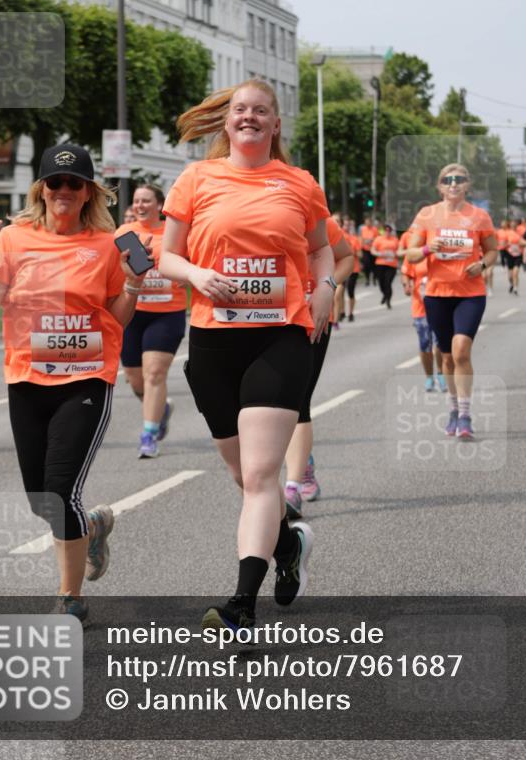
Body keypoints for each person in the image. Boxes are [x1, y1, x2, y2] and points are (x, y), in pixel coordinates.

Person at [158, 80, 334, 636]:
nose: (249, 117)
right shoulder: (196, 179)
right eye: (240, 110)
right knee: (243, 476)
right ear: (227, 121)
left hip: (279, 337)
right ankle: (289, 545)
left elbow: (321, 248)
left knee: (261, 475)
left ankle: (241, 605)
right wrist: (197, 274)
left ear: (275, 124)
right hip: (215, 341)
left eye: (260, 111)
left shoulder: (299, 183)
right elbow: (166, 256)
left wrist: (326, 287)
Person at [0, 144, 150, 626]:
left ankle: (70, 598)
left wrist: (133, 284)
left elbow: (118, 318)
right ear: (41, 189)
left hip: (86, 378)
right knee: (41, 500)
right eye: (55, 182)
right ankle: (92, 527)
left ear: (88, 192)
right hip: (27, 378)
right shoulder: (13, 238)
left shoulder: (109, 243)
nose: (64, 190)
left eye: (74, 183)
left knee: (60, 489)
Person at [406, 164, 497, 440]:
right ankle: (454, 410)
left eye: (459, 179)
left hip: (470, 293)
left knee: (461, 352)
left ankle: (466, 415)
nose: (454, 184)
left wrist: (482, 265)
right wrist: (426, 248)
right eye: (448, 180)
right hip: (437, 294)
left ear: (467, 185)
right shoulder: (427, 215)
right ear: (440, 186)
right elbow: (410, 254)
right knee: (446, 357)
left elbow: (492, 250)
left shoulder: (479, 216)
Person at [283, 216, 354, 518]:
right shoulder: (252, 213)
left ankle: (293, 486)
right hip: (267, 319)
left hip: (313, 318)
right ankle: (304, 460)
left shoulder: (318, 221)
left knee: (297, 400)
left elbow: (346, 257)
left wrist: (328, 285)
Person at [115, 184, 186, 458]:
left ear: (159, 205)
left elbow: (193, 260)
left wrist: (185, 274)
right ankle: (160, 409)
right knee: (135, 379)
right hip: (133, 312)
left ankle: (149, 435)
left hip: (167, 313)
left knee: (154, 373)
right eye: (136, 201)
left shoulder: (174, 232)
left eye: (146, 201)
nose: (140, 206)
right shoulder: (124, 233)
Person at [401, 249, 446, 392]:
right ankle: (429, 377)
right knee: (425, 343)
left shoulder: (440, 250)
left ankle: (441, 373)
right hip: (420, 308)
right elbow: (405, 273)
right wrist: (406, 285)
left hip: (441, 305)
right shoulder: (415, 252)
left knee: (440, 342)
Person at [371, 223, 399, 308]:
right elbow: (373, 250)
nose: (387, 232)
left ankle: (388, 300)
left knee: (388, 282)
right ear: (383, 231)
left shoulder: (395, 240)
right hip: (380, 264)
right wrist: (379, 254)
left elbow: (399, 251)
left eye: (389, 230)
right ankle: (385, 294)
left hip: (391, 264)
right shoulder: (378, 239)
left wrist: (394, 254)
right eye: (385, 230)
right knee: (381, 282)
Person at [342, 218, 361, 322]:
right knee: (340, 291)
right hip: (342, 268)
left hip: (354, 269)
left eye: (348, 225)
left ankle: (351, 313)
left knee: (350, 291)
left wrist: (352, 252)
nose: (347, 227)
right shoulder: (339, 236)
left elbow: (360, 254)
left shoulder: (354, 239)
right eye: (345, 225)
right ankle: (341, 311)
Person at [504, 219, 523, 294]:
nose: (513, 225)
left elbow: (524, 242)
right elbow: (503, 243)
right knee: (510, 276)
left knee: (515, 273)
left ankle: (515, 288)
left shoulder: (520, 233)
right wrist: (507, 244)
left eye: (515, 224)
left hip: (518, 254)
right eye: (512, 224)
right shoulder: (507, 233)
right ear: (510, 225)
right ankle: (512, 284)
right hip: (510, 254)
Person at [360, 216, 379, 286]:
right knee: (366, 264)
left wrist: (372, 240)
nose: (368, 223)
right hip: (365, 249)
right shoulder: (363, 229)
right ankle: (367, 278)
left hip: (373, 249)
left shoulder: (374, 229)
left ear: (371, 222)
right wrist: (363, 243)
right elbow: (361, 238)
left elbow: (377, 239)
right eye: (366, 222)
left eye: (369, 222)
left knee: (374, 264)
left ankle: (374, 278)